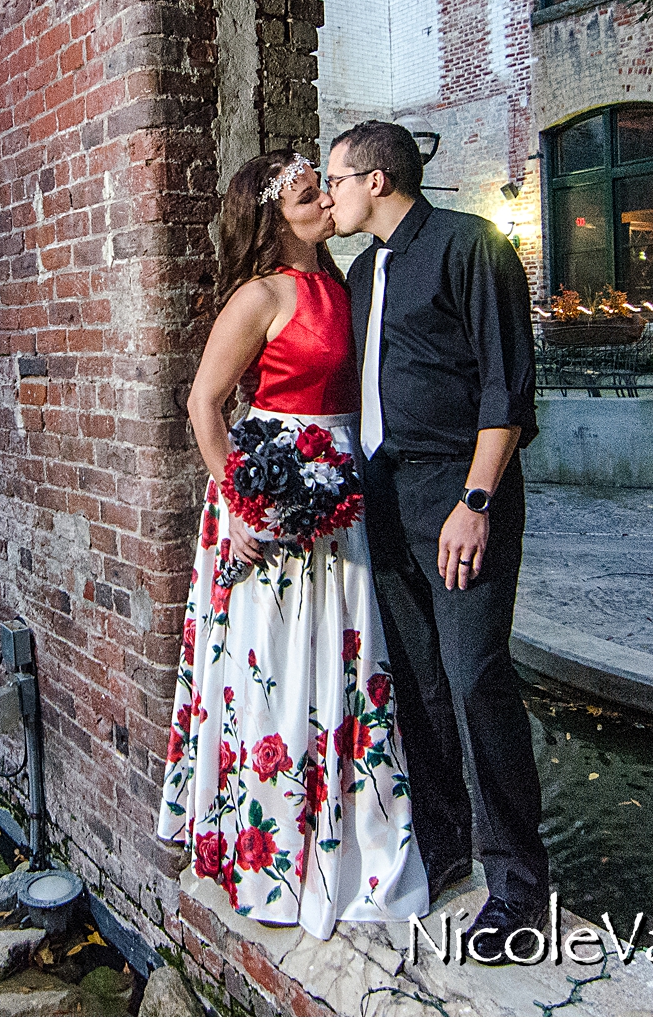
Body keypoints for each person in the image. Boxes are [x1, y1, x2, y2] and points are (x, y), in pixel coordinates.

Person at [157, 148, 430, 939]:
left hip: (345, 492)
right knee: (278, 669)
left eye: (323, 190)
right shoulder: (261, 294)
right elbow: (203, 403)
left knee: (348, 663)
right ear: (275, 215)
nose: (322, 203)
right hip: (275, 496)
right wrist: (239, 505)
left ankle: (355, 839)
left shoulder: (347, 285)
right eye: (308, 195)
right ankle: (274, 853)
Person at [320, 119, 552, 951]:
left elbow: (508, 391)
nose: (330, 194)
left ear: (377, 178)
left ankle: (520, 884)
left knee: (476, 675)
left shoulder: (471, 244)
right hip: (382, 497)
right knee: (416, 681)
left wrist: (477, 501)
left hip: (458, 496)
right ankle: (447, 848)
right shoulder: (360, 271)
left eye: (336, 179)